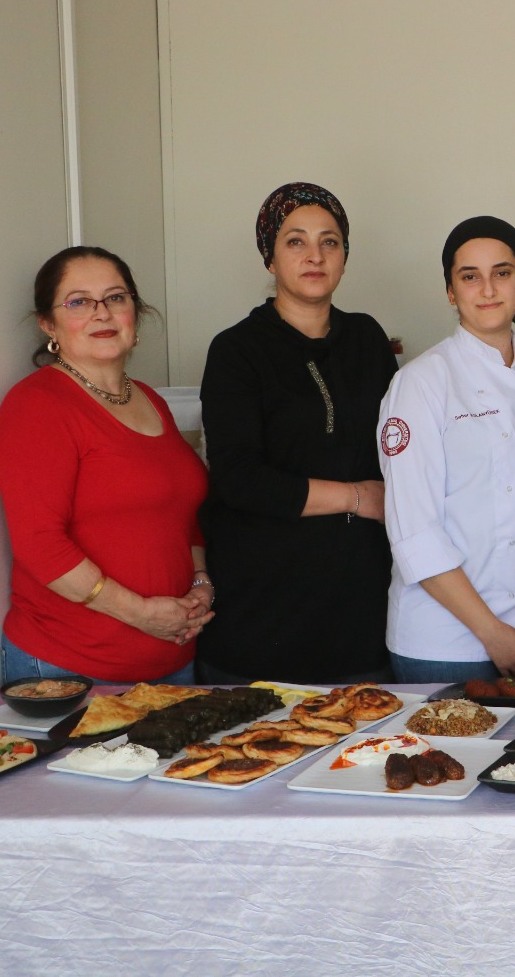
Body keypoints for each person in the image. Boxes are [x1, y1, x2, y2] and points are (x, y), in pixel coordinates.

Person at [196, 183, 396, 684]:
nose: (315, 255)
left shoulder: (368, 339)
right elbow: (239, 479)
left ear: (345, 256)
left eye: (330, 241)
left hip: (358, 608)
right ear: (269, 257)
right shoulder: (236, 351)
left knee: (363, 755)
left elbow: (396, 449)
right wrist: (356, 497)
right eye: (295, 241)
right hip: (264, 607)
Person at [0, 247, 211, 684]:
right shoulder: (37, 406)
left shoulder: (151, 399)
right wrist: (143, 614)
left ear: (135, 313)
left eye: (115, 298)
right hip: (70, 668)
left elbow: (182, 516)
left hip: (171, 658)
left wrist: (201, 585)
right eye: (78, 302)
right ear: (48, 324)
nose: (101, 313)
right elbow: (40, 546)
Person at [378, 216, 515, 683]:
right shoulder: (420, 384)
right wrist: (491, 633)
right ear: (451, 291)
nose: (487, 289)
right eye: (470, 276)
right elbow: (414, 532)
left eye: (502, 273)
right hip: (444, 643)